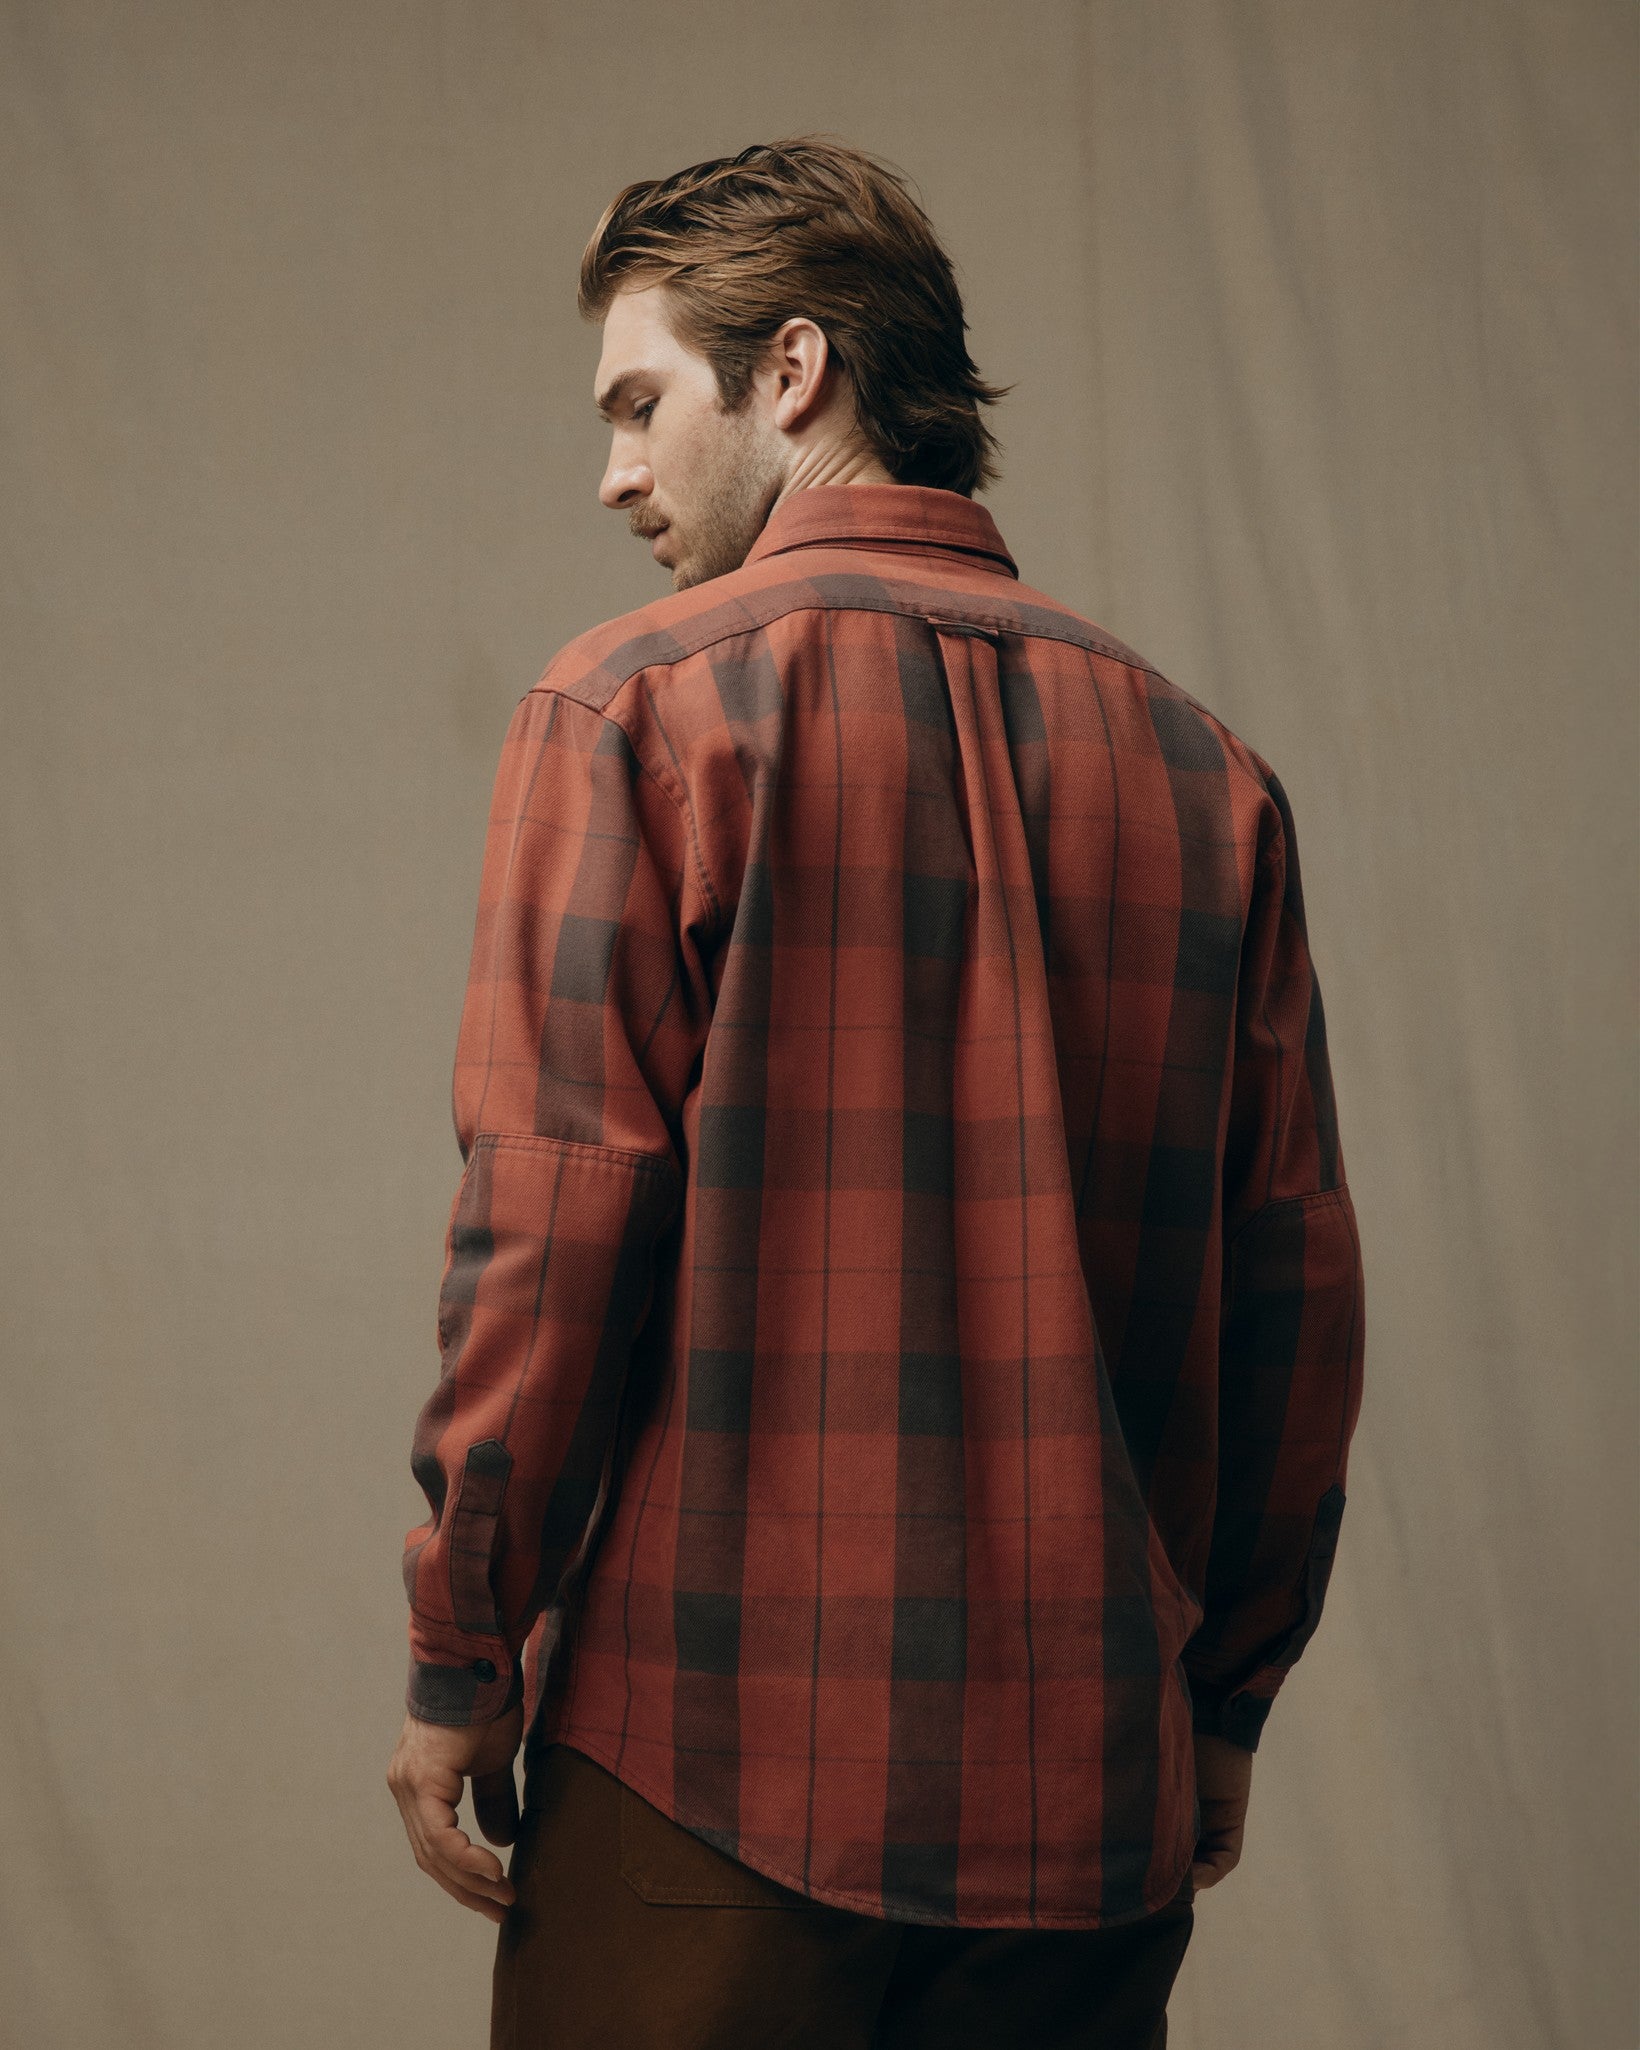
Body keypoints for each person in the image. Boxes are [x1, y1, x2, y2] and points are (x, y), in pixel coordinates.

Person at [387, 136, 1366, 2050]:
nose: (613, 473)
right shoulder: (1208, 774)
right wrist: (1225, 1695)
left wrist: (461, 1645)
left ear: (795, 371)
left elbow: (548, 1226)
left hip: (706, 1763)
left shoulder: (634, 711)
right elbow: (1293, 1291)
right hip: (1091, 1806)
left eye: (639, 406)